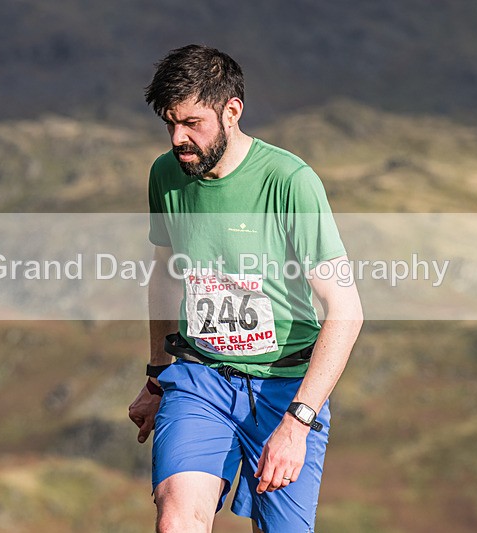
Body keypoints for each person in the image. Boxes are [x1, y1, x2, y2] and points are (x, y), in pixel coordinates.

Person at [128, 44, 363, 533]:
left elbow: (345, 310)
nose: (178, 138)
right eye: (170, 123)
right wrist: (156, 375)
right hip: (200, 381)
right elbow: (167, 273)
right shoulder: (165, 175)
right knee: (177, 521)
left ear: (231, 111)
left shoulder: (290, 181)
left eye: (192, 122)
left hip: (285, 388)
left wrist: (298, 423)